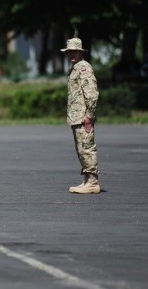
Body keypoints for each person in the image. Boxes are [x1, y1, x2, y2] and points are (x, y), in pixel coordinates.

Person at [61, 37, 101, 194]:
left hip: (83, 116)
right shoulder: (75, 68)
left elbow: (91, 93)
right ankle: (87, 180)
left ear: (80, 52)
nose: (72, 54)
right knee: (81, 148)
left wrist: (89, 115)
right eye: (69, 51)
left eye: (75, 51)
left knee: (86, 147)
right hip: (76, 117)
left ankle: (92, 182)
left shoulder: (84, 68)